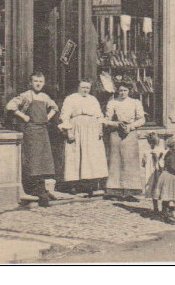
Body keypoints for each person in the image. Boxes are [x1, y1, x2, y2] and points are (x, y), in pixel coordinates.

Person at [6, 72, 58, 207]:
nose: (38, 84)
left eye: (41, 81)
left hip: (43, 131)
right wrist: (23, 117)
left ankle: (43, 190)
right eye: (35, 81)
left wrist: (48, 117)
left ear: (44, 83)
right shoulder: (26, 96)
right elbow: (10, 106)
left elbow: (54, 107)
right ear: (31, 83)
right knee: (34, 161)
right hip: (31, 131)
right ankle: (38, 190)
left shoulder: (45, 97)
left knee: (44, 162)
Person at [58, 79, 108, 196]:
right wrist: (69, 131)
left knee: (90, 156)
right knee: (75, 156)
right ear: (78, 87)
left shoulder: (93, 99)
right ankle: (73, 185)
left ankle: (88, 185)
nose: (85, 90)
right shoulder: (71, 99)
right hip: (76, 129)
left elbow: (99, 115)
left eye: (87, 88)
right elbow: (65, 116)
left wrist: (100, 129)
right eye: (83, 87)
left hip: (91, 129)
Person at [104, 81, 146, 200]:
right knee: (115, 160)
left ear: (129, 91)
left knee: (130, 161)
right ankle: (114, 190)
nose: (123, 93)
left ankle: (130, 191)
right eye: (121, 90)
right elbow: (106, 120)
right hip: (116, 132)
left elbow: (142, 119)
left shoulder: (135, 102)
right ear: (118, 91)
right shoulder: (112, 103)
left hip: (130, 133)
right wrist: (116, 124)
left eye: (125, 90)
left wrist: (131, 126)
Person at [148, 135, 175, 224]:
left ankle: (166, 213)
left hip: (169, 176)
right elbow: (174, 168)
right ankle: (168, 215)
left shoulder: (170, 154)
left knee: (168, 197)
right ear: (174, 146)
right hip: (170, 178)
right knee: (168, 196)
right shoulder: (172, 156)